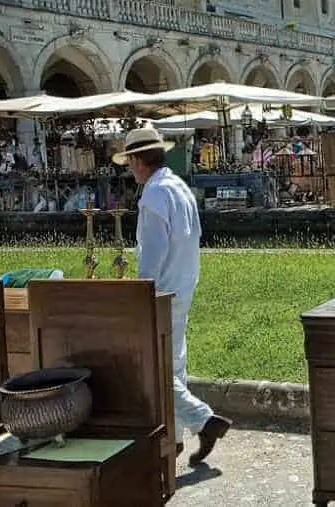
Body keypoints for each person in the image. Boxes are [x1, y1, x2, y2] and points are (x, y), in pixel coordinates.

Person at [112, 127, 232, 466]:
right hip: (183, 284)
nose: (130, 169)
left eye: (130, 162)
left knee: (156, 367)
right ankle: (175, 436)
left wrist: (140, 293)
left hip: (161, 290)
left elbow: (152, 255)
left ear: (137, 160)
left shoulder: (153, 196)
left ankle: (203, 420)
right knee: (173, 364)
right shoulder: (179, 187)